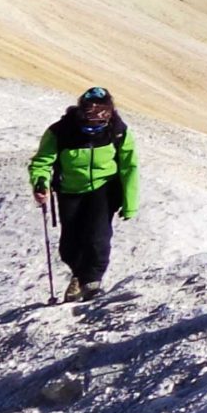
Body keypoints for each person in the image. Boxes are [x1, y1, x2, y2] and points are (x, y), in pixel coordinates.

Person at [28, 86, 140, 301]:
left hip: (105, 188)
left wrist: (130, 203)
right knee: (69, 244)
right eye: (88, 123)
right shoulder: (61, 131)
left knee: (98, 237)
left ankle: (92, 282)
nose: (92, 128)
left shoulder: (117, 131)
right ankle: (79, 276)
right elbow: (42, 162)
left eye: (98, 124)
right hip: (70, 189)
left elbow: (129, 167)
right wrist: (40, 183)